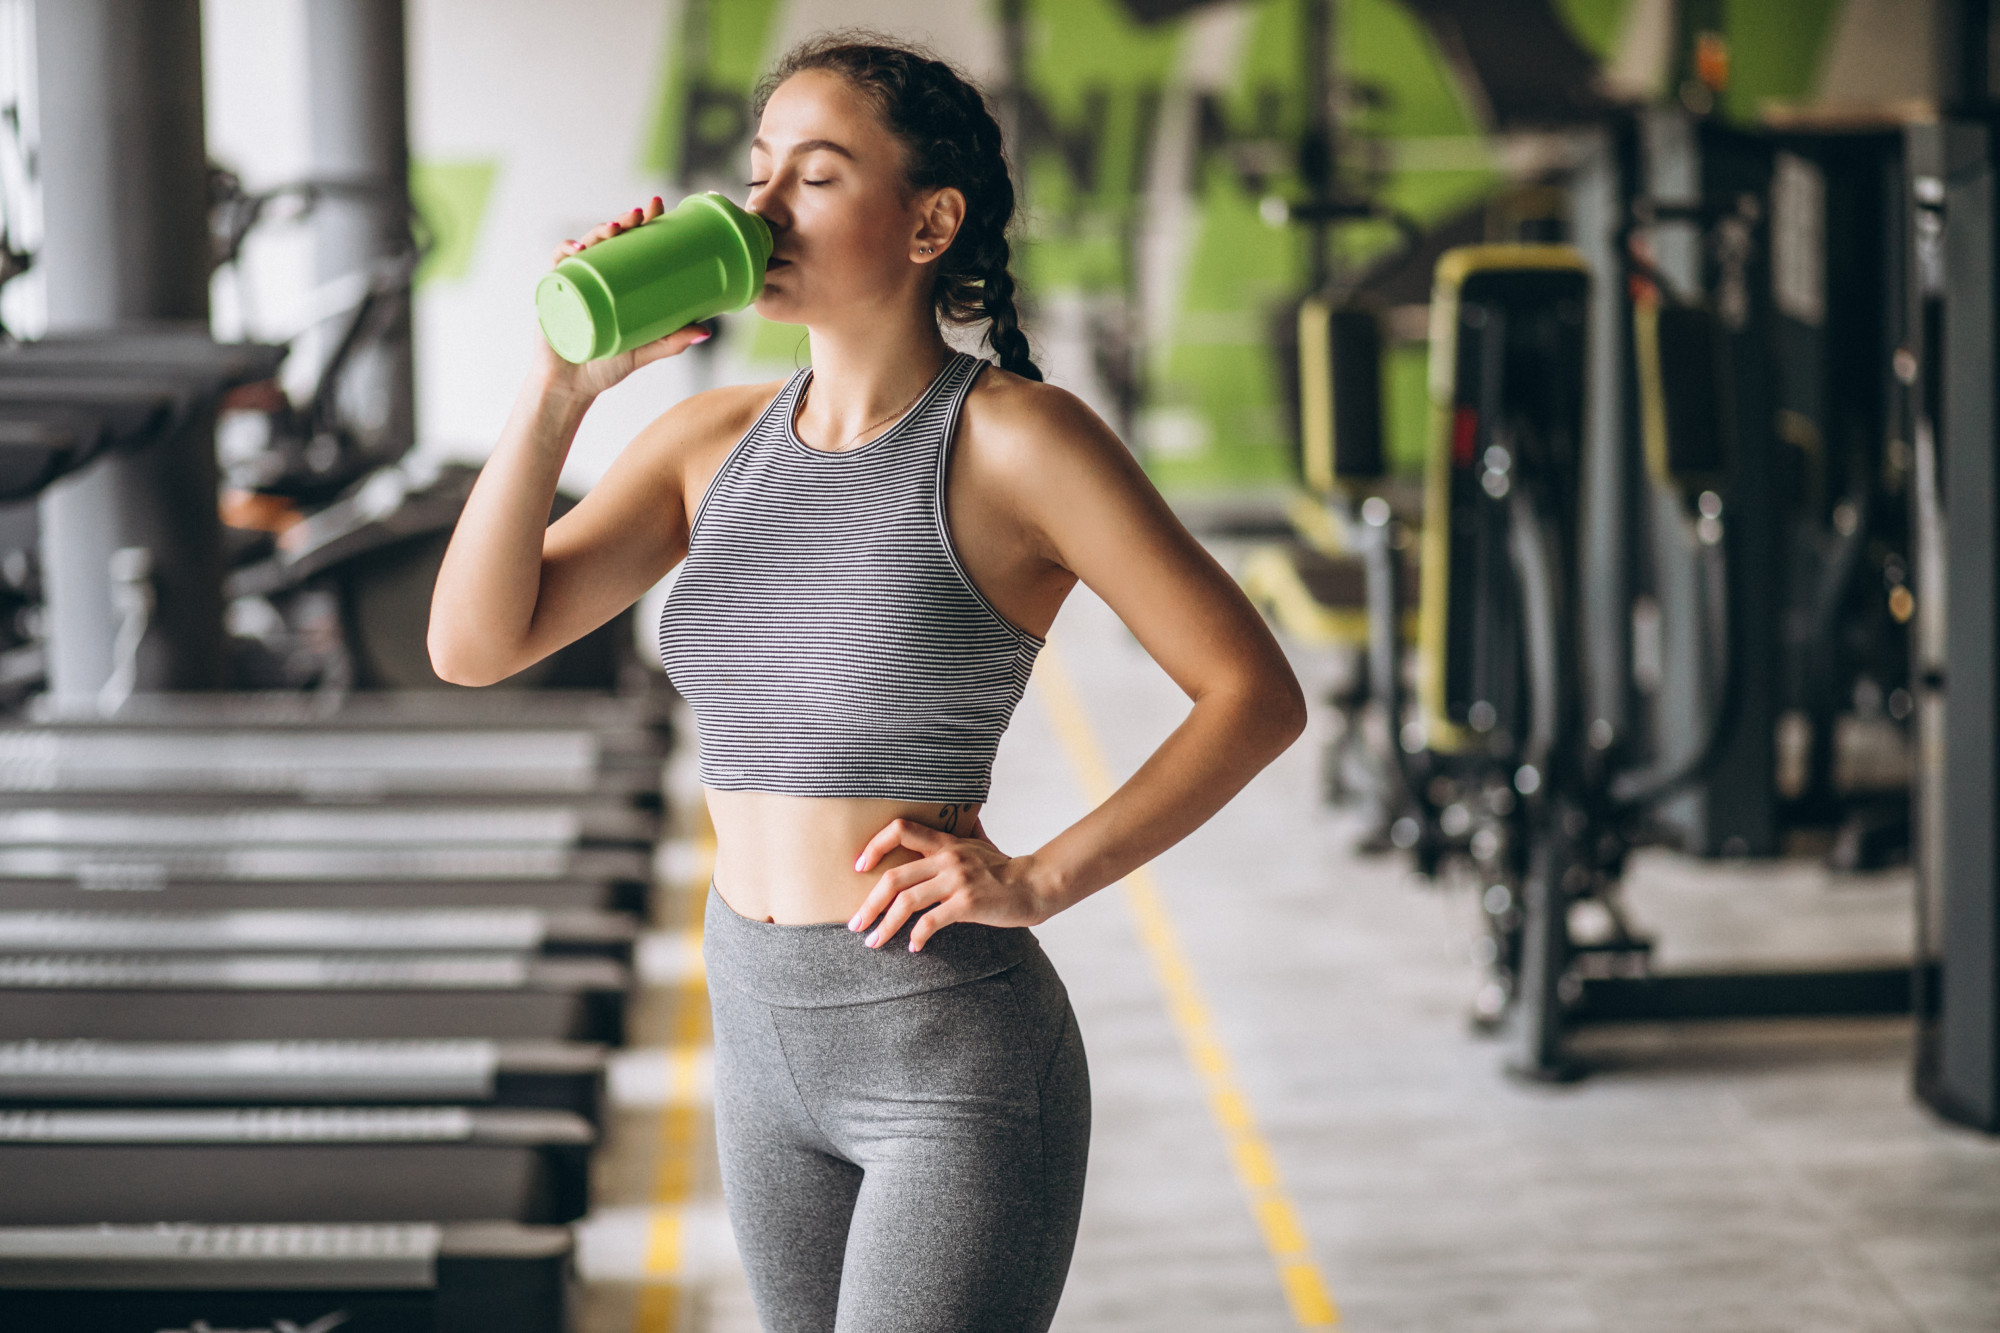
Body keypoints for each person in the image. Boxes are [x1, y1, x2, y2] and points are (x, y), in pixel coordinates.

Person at [428, 33, 1305, 1333]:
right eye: (760, 170)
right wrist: (560, 391)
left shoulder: (1016, 440)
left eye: (817, 176)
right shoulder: (704, 444)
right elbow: (473, 643)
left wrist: (1041, 877)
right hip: (760, 1035)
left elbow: (1252, 692)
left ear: (927, 221)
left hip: (945, 1055)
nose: (760, 209)